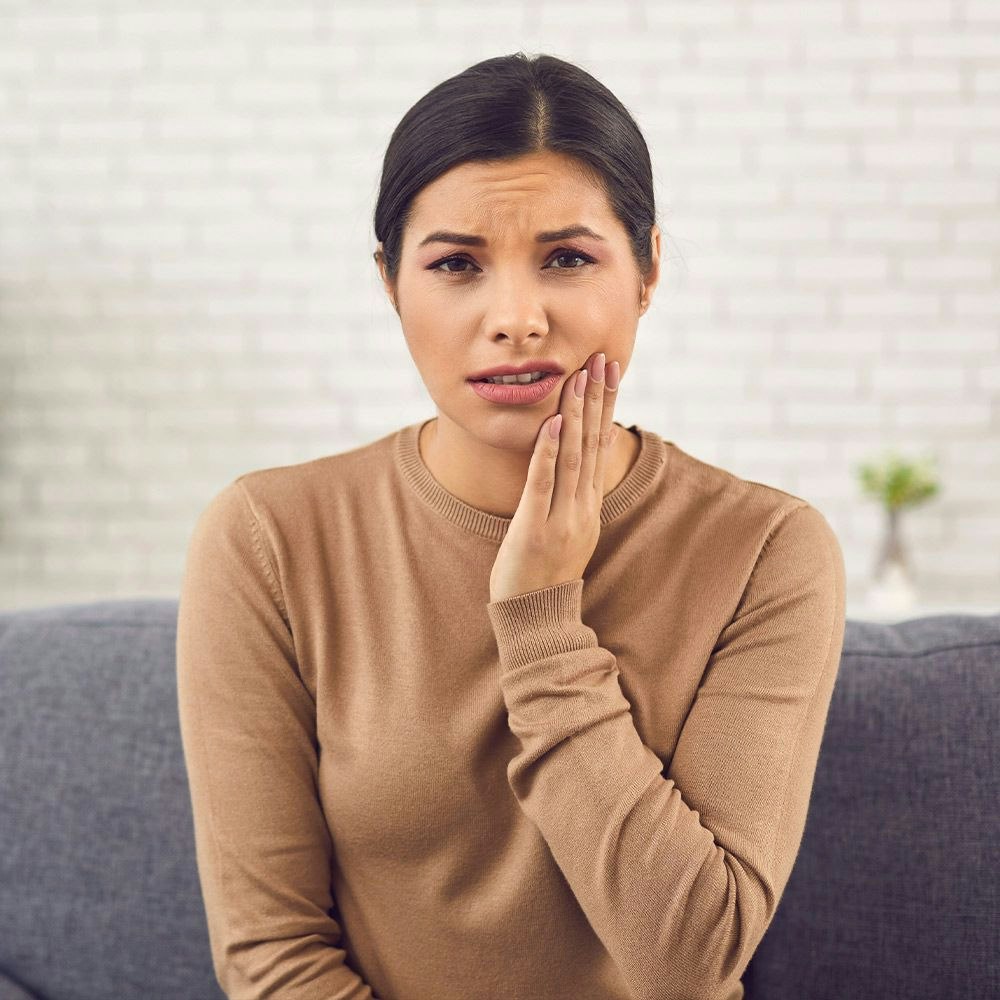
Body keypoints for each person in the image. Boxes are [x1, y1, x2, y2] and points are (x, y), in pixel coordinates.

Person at [176, 52, 846, 1000]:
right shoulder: (269, 538)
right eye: (455, 265)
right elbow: (272, 960)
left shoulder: (767, 550)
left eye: (568, 259)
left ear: (648, 270)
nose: (515, 319)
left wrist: (541, 620)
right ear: (390, 285)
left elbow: (692, 958)